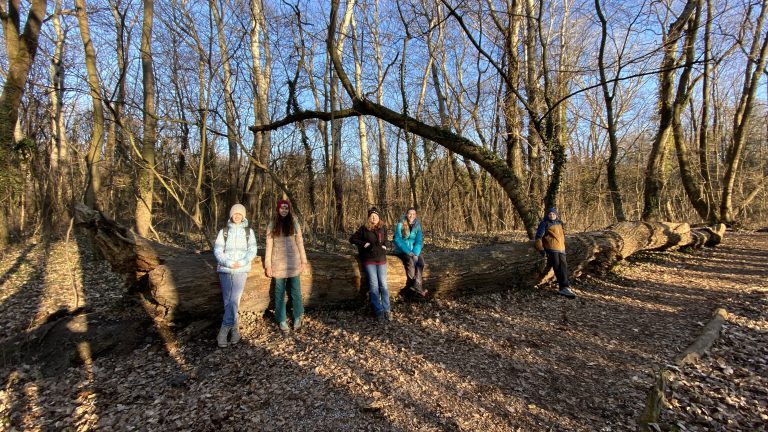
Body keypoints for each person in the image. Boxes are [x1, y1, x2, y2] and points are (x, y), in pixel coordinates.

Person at [213, 203, 259, 347]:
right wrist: (227, 262)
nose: (237, 216)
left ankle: (223, 332)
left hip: (241, 270)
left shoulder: (248, 232)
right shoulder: (224, 231)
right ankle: (235, 331)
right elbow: (218, 250)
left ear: (243, 216)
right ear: (231, 215)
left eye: (240, 214)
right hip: (225, 270)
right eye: (235, 213)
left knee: (233, 300)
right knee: (229, 302)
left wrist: (242, 261)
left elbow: (252, 250)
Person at [264, 199, 308, 333]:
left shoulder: (294, 223)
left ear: (289, 210)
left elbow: (300, 243)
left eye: (286, 208)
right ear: (278, 209)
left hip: (294, 262)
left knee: (295, 291)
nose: (284, 210)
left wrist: (303, 261)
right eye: (282, 208)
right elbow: (269, 246)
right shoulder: (272, 224)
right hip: (278, 263)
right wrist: (268, 265)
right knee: (279, 293)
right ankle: (281, 319)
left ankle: (297, 316)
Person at [350, 207, 392, 321]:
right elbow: (352, 239)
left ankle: (387, 310)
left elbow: (387, 241)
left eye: (376, 216)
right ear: (369, 218)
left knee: (383, 284)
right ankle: (378, 310)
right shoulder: (364, 228)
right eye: (372, 216)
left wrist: (385, 246)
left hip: (381, 259)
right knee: (374, 285)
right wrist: (364, 244)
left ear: (379, 217)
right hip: (369, 260)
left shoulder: (383, 227)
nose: (374, 218)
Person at [534, 207, 576, 299]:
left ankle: (566, 287)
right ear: (547, 215)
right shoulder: (544, 223)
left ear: (556, 215)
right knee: (557, 268)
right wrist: (541, 249)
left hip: (561, 249)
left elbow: (561, 236)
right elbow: (538, 237)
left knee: (564, 267)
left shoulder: (559, 223)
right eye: (550, 214)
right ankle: (563, 288)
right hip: (552, 249)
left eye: (553, 214)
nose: (551, 216)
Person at [393, 207, 427, 298]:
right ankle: (413, 287)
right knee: (410, 262)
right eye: (410, 214)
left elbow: (419, 240)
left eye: (413, 214)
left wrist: (415, 252)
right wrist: (408, 252)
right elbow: (397, 239)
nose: (411, 216)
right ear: (406, 214)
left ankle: (417, 286)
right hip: (402, 250)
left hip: (413, 250)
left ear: (416, 215)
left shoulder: (417, 225)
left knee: (421, 263)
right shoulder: (400, 224)